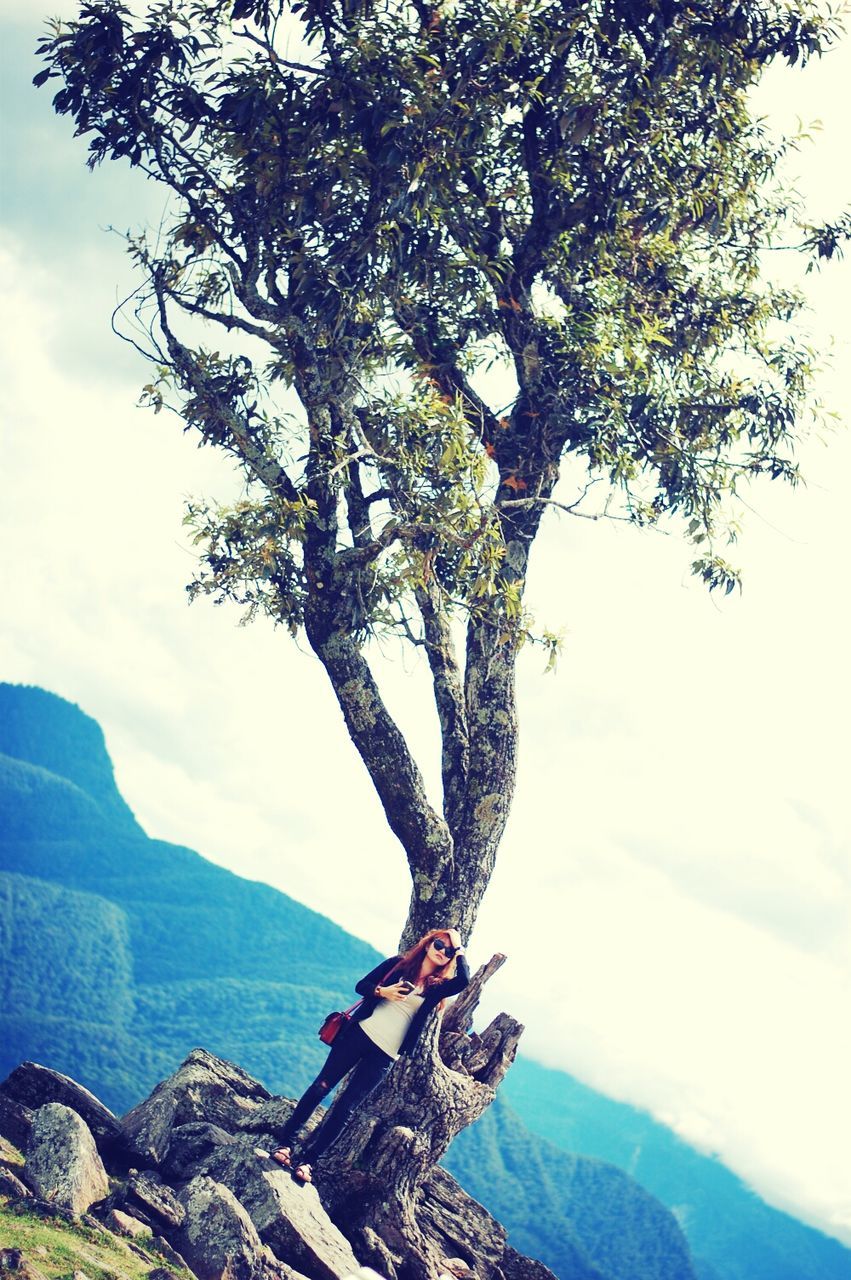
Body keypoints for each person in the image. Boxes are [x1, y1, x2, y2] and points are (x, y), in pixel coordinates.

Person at [269, 927, 469, 1184]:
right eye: (439, 944)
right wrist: (382, 992)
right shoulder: (398, 965)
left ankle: (309, 1162)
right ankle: (285, 1143)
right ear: (429, 943)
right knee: (321, 1086)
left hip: (386, 1054)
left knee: (346, 1107)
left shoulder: (437, 988)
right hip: (359, 1034)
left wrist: (460, 948)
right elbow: (361, 985)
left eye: (449, 950)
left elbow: (463, 980)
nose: (443, 951)